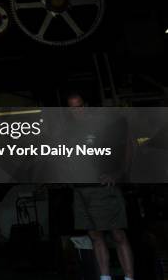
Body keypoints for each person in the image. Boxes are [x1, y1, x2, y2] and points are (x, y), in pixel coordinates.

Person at [67, 92, 134, 280]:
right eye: (71, 107)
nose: (76, 110)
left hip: (104, 187)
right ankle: (105, 277)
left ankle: (129, 277)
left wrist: (119, 173)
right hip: (81, 189)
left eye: (78, 106)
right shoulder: (70, 129)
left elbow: (127, 146)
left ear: (85, 106)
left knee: (117, 234)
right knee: (95, 235)